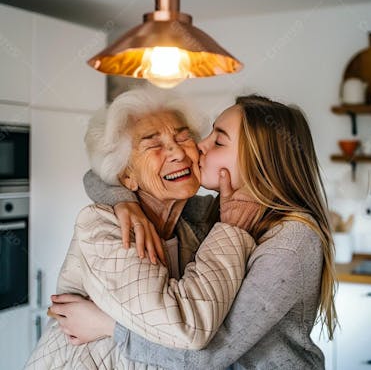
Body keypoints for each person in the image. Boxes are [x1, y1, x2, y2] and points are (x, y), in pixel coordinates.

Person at [54, 94, 337, 369]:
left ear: (258, 160)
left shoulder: (290, 241)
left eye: (218, 140)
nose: (199, 146)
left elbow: (208, 357)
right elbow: (101, 171)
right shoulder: (207, 215)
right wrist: (124, 202)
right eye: (207, 135)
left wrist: (106, 325)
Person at [25, 88, 255, 369]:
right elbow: (187, 328)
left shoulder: (194, 220)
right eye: (152, 144)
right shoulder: (103, 227)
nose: (176, 152)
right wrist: (231, 229)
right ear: (127, 176)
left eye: (183, 136)